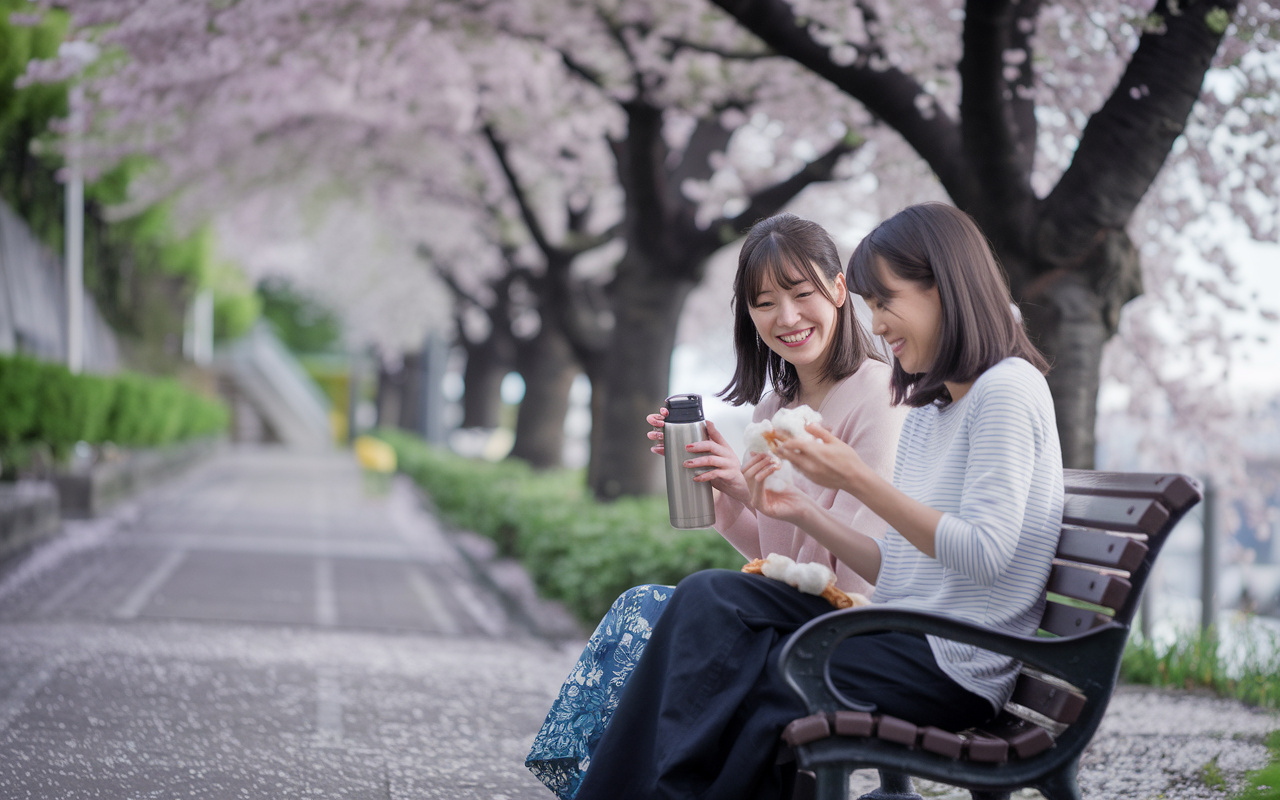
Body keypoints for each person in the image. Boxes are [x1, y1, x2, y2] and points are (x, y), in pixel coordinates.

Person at [570, 202, 1065, 800]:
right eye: (873, 306)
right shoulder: (936, 408)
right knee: (707, 600)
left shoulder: (1007, 390)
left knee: (753, 678)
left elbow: (986, 555)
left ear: (944, 289)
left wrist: (856, 480)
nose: (877, 324)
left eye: (885, 302)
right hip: (905, 633)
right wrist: (796, 508)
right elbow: (899, 569)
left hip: (953, 661)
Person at [525, 213, 907, 800]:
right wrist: (731, 490)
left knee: (662, 620)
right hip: (790, 611)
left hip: (848, 627)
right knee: (641, 609)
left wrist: (780, 500)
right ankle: (600, 783)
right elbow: (777, 557)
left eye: (802, 294)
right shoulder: (777, 402)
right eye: (764, 303)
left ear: (837, 289)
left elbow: (860, 572)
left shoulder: (877, 395)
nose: (786, 318)